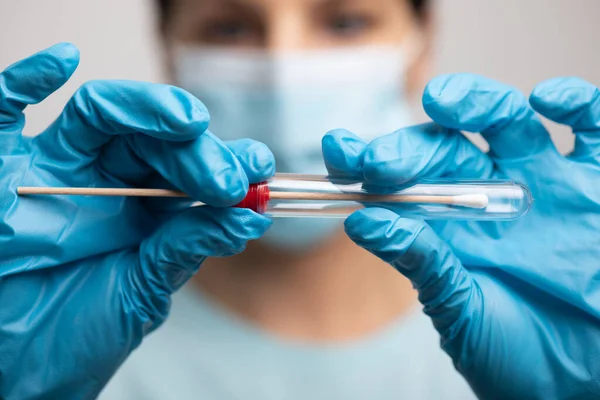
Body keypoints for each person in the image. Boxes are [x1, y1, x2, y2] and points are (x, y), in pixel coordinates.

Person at [1, 2, 600, 400]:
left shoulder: (529, 326)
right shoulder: (69, 333)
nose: (285, 68)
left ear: (420, 44)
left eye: (343, 22)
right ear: (169, 50)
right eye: (229, 26)